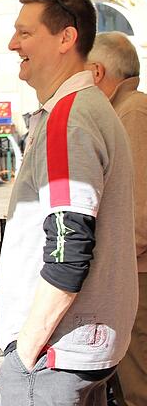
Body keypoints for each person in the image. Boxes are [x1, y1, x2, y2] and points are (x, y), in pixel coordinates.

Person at [0, 0, 138, 405]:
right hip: (76, 346)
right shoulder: (86, 108)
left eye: (25, 33)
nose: (12, 43)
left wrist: (23, 353)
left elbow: (68, 248)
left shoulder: (69, 116)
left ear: (66, 38)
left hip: (56, 352)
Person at [88, 31, 147, 406]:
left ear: (97, 72)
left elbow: (138, 213)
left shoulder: (132, 112)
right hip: (135, 270)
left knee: (138, 385)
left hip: (140, 273)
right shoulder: (129, 109)